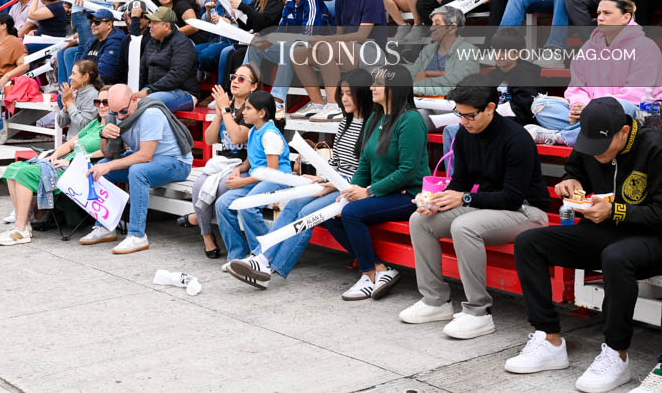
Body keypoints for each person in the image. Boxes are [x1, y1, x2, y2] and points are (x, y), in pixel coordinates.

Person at [508, 97, 662, 393]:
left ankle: (616, 354)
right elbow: (575, 169)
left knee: (616, 257)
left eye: (601, 147)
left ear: (624, 132)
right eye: (589, 144)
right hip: (602, 230)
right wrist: (571, 182)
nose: (595, 152)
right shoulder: (589, 142)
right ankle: (549, 340)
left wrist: (616, 211)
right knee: (529, 242)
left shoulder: (654, 148)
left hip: (651, 238)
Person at [399, 75, 549, 339]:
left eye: (469, 115)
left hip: (527, 211)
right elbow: (461, 182)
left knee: (464, 226)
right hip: (490, 207)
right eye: (460, 114)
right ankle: (435, 301)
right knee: (420, 220)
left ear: (490, 108)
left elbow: (512, 198)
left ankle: (478, 312)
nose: (462, 121)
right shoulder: (466, 134)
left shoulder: (517, 139)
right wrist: (436, 201)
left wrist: (465, 199)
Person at [229, 70, 375, 290]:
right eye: (342, 93)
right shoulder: (345, 122)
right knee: (294, 204)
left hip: (352, 187)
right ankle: (261, 258)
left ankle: (270, 267)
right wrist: (320, 177)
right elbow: (337, 161)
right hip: (333, 181)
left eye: (349, 94)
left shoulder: (371, 125)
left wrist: (331, 184)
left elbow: (366, 170)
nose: (344, 99)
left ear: (362, 94)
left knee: (308, 213)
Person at [321, 66, 429, 300]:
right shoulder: (375, 117)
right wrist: (349, 192)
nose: (371, 88)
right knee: (331, 212)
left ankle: (368, 274)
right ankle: (380, 268)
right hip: (383, 193)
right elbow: (364, 165)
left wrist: (368, 192)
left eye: (378, 84)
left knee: (352, 213)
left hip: (408, 195)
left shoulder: (411, 120)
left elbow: (408, 171)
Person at [526, 0, 662, 147]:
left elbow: (636, 95)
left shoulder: (645, 47)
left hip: (631, 113)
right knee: (541, 105)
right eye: (598, 13)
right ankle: (587, 131)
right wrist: (578, 105)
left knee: (621, 108)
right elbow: (577, 87)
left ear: (626, 17)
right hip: (591, 111)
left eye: (607, 13)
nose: (600, 18)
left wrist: (591, 109)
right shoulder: (589, 47)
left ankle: (562, 137)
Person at [80, 83, 194, 253]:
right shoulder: (114, 116)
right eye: (114, 112)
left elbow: (145, 156)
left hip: (177, 163)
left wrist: (109, 166)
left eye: (123, 111)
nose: (119, 116)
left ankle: (137, 235)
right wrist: (103, 135)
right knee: (101, 167)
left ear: (134, 99)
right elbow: (108, 154)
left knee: (137, 171)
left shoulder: (151, 113)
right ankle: (105, 226)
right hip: (150, 161)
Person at [0, 86, 110, 245]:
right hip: (64, 163)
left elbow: (108, 151)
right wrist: (53, 156)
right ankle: (23, 224)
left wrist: (70, 162)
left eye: (106, 102)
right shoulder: (94, 124)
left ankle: (21, 229)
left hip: (80, 171)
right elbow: (69, 145)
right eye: (98, 102)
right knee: (12, 168)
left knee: (23, 173)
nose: (101, 106)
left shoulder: (112, 128)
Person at [292, 0, 386, 122]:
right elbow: (339, 34)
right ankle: (318, 104)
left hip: (372, 52)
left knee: (325, 48)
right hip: (348, 50)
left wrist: (324, 40)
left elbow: (361, 36)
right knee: (298, 53)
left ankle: (334, 105)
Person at [182, 64, 260, 258]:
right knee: (198, 186)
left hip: (245, 166)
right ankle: (207, 237)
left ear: (253, 86)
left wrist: (225, 110)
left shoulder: (253, 109)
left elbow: (238, 137)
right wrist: (218, 116)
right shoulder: (227, 107)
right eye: (234, 77)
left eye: (242, 79)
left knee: (223, 188)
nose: (235, 81)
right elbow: (210, 139)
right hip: (224, 163)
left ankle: (196, 218)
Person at [216, 91, 292, 284]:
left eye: (248, 108)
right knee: (223, 203)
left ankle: (263, 255)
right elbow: (252, 161)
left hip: (278, 180)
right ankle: (236, 255)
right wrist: (239, 170)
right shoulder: (254, 132)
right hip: (259, 178)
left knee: (248, 205)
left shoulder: (270, 134)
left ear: (262, 113)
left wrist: (242, 182)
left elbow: (272, 172)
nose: (244, 112)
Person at [245, 0, 329, 116]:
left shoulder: (311, 0)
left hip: (317, 50)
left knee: (290, 48)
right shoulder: (289, 3)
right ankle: (246, 92)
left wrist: (277, 38)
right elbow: (280, 31)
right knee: (256, 45)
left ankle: (277, 100)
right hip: (293, 47)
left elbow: (308, 36)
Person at [442, 28, 541, 155]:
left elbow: (524, 111)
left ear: (517, 54)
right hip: (488, 119)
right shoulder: (492, 75)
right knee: (451, 126)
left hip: (514, 124)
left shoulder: (527, 77)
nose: (498, 55)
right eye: (496, 50)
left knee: (453, 130)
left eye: (504, 51)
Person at [138, 6, 199, 113]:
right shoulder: (151, 42)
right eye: (150, 22)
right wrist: (134, 90)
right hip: (154, 89)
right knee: (125, 102)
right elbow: (142, 71)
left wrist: (149, 91)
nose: (150, 25)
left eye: (154, 23)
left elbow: (177, 75)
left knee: (147, 103)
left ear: (166, 26)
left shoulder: (182, 43)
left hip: (183, 92)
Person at [409, 5, 479, 97]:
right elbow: (411, 77)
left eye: (437, 24)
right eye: (432, 23)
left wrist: (416, 86)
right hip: (419, 100)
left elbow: (456, 85)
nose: (431, 28)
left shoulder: (467, 50)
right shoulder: (427, 50)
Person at [59, 8, 126, 84]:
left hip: (104, 86)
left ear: (109, 24)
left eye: (97, 22)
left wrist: (80, 82)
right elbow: (80, 65)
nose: (93, 25)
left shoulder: (115, 43)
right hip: (89, 82)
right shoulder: (92, 40)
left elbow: (102, 73)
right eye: (91, 22)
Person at [56, 59, 102, 140]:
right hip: (71, 143)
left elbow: (85, 125)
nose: (70, 77)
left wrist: (70, 104)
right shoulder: (74, 93)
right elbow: (61, 124)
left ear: (85, 77)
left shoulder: (93, 95)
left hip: (84, 144)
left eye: (73, 74)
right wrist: (65, 108)